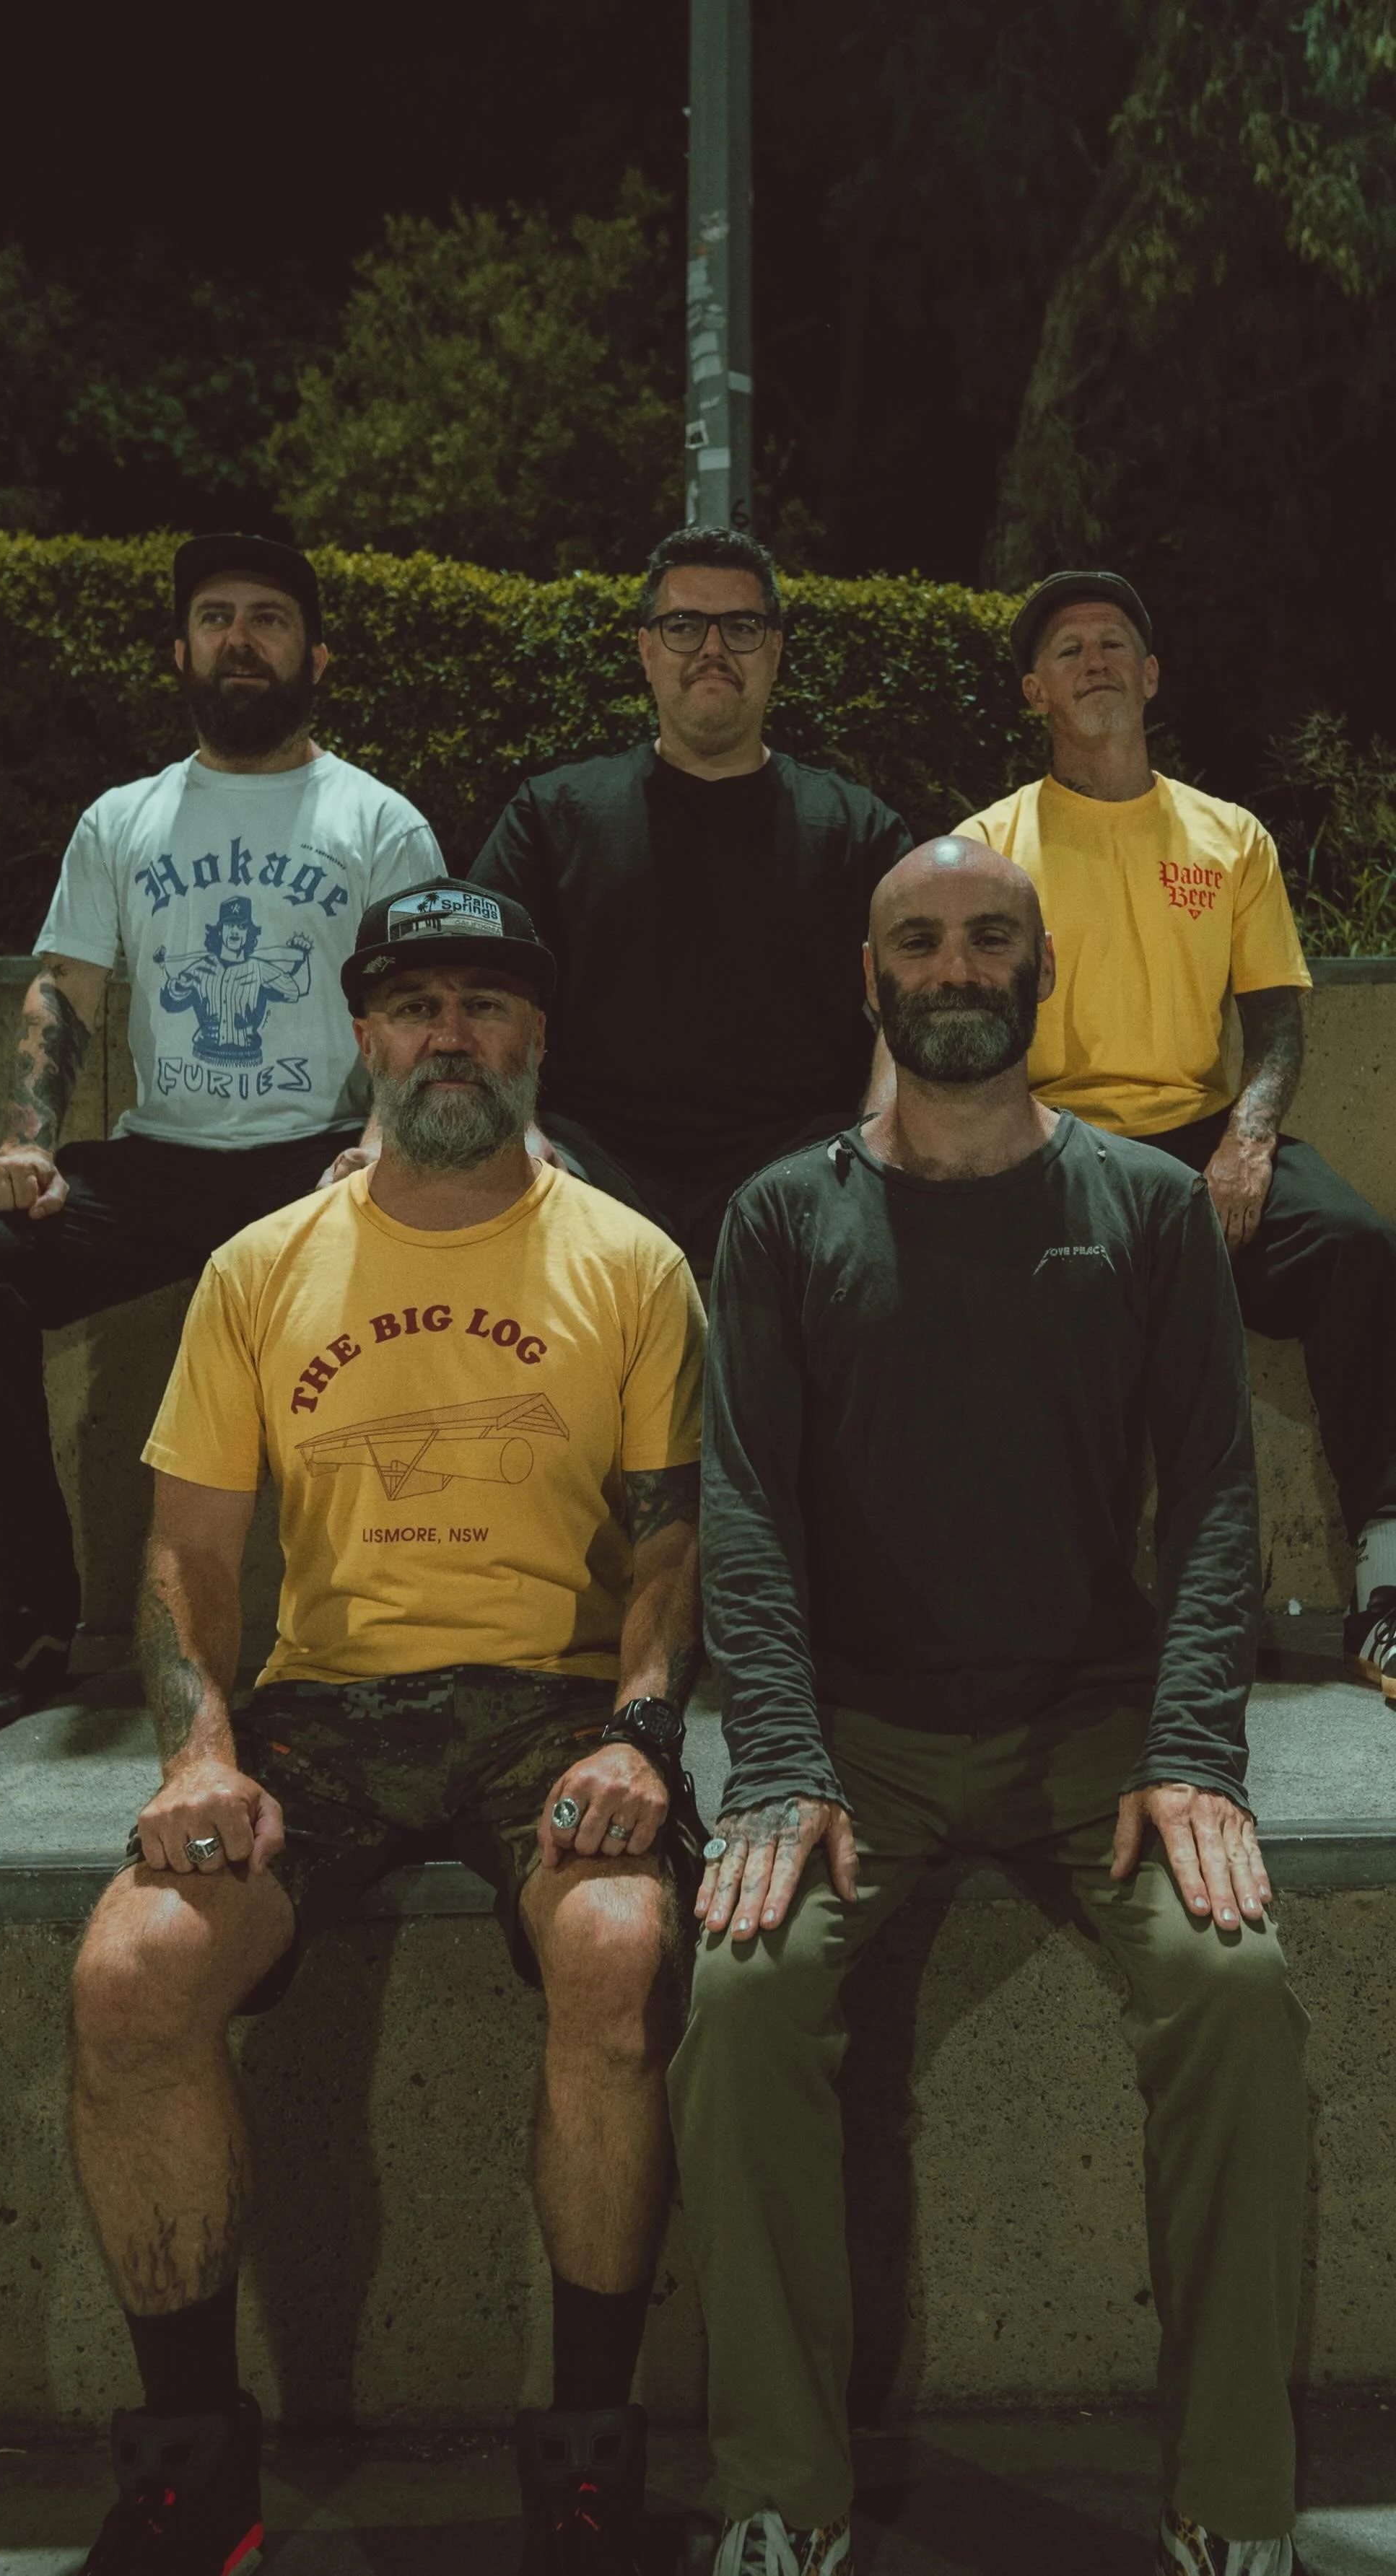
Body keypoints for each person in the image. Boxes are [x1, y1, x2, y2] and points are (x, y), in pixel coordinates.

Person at [671, 838, 1309, 2576]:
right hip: (856, 1734)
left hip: (1094, 1725)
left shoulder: (1148, 1208)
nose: (954, 968)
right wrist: (779, 1759)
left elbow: (1218, 1496)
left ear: (1042, 972)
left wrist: (1192, 1748)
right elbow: (745, 1507)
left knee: (1235, 1987)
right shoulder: (783, 1216)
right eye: (919, 942)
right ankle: (784, 2496)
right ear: (871, 979)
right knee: (741, 2000)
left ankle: (1236, 2502)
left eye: (987, 939)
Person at [66, 879, 707, 2576]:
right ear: (363, 1034)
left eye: (485, 1005)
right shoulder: (259, 1267)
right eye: (415, 1005)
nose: (450, 1035)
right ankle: (194, 2473)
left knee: (619, 1944)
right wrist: (199, 1753)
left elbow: (669, 1554)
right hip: (325, 1710)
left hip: (551, 1706)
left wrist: (640, 1737)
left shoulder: (631, 1262)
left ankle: (587, 2464)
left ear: (537, 1035)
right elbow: (189, 1558)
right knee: (131, 1975)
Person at [0, 533, 443, 1735]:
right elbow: (66, 988)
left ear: (315, 656)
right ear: (180, 651)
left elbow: (423, 1002)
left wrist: (385, 1141)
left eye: (268, 617)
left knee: (432, 1267)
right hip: (159, 1163)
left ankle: (409, 1625)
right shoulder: (124, 819)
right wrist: (27, 1143)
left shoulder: (377, 821)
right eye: (216, 617)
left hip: (318, 1158)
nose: (240, 638)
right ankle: (22, 1613)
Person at [958, 567, 1396, 1708]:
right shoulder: (990, 846)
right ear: (1033, 692)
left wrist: (1247, 1139)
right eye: (1066, 650)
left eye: (1113, 642)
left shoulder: (1227, 835)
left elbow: (1277, 1021)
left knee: (1354, 1246)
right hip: (1062, 1138)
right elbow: (972, 1031)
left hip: (1203, 1132)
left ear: (1150, 677)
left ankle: (1384, 1575)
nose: (1093, 660)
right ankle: (1063, 1609)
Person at [470, 524, 911, 1273]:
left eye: (741, 627)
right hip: (585, 1167)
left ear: (775, 650)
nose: (713, 649)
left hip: (802, 1171)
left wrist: (879, 1134)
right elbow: (479, 983)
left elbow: (912, 1001)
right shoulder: (553, 816)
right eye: (683, 626)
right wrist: (518, 1129)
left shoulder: (857, 831)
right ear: (646, 650)